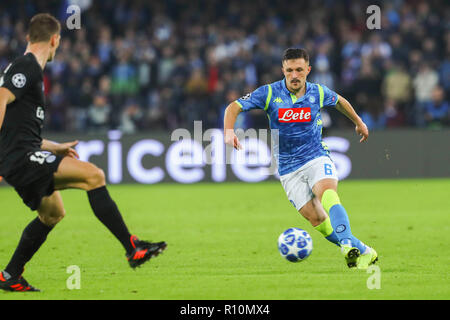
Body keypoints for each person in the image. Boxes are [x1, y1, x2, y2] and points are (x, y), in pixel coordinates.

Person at [0, 13, 166, 292]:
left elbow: (20, 133)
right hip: (18, 159)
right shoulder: (26, 66)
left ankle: (10, 275)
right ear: (55, 40)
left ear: (29, 37)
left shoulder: (30, 70)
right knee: (93, 175)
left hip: (22, 154)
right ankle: (132, 248)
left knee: (52, 213)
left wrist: (55, 147)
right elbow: (1, 99)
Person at [223, 48, 377, 270]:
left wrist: (358, 121)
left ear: (308, 70)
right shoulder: (268, 93)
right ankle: (362, 249)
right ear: (283, 71)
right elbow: (233, 107)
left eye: (299, 70)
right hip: (287, 168)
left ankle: (345, 244)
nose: (294, 75)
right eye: (289, 70)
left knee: (328, 194)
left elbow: (340, 101)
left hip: (316, 156)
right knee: (317, 220)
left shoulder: (318, 92)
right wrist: (229, 131)